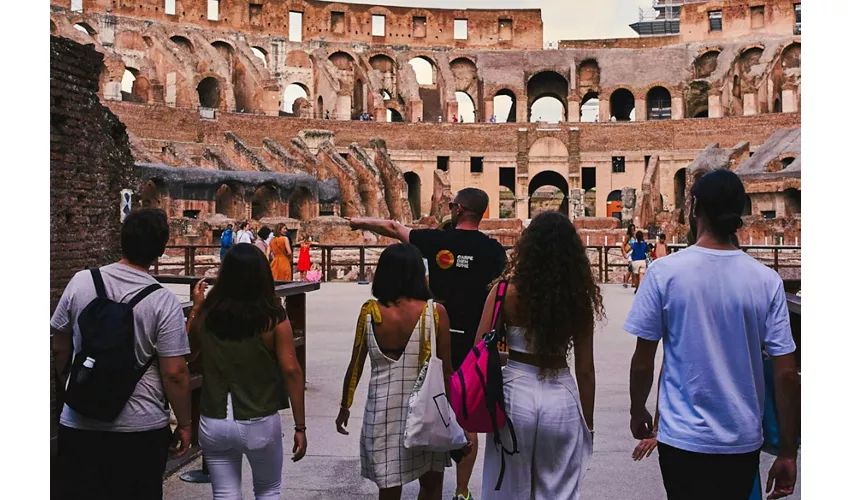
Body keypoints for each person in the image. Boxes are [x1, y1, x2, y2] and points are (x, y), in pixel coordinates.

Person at [625, 170, 800, 500]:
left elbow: (643, 362)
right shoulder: (766, 281)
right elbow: (787, 374)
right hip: (742, 439)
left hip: (681, 440)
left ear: (695, 209)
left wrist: (638, 410)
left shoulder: (664, 273)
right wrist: (788, 451)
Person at [350, 188, 508, 500]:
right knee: (466, 411)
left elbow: (394, 228)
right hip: (474, 339)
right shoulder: (493, 250)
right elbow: (500, 292)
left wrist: (360, 222)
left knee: (424, 397)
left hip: (433, 331)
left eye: (452, 206)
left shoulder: (438, 241)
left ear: (459, 210)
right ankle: (461, 491)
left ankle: (412, 467)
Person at [51, 208, 192, 499]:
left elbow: (59, 343)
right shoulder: (163, 301)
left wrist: (69, 385)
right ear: (160, 251)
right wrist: (185, 423)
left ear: (122, 241)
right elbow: (174, 373)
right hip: (140, 428)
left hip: (79, 421)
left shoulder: (81, 281)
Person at [474, 210, 601, 499]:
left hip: (515, 390)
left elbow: (481, 348)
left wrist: (511, 359)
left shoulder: (504, 291)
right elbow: (585, 368)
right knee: (558, 488)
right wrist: (588, 422)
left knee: (507, 486)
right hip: (561, 394)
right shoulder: (578, 298)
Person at [187, 243, 307, 499]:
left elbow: (188, 351)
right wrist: (300, 426)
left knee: (225, 493)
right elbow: (291, 371)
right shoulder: (273, 318)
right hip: (259, 417)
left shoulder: (208, 314)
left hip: (215, 418)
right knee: (268, 490)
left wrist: (196, 308)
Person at [335, 244, 452, 500]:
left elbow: (355, 364)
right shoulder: (435, 313)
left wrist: (345, 405)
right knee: (431, 484)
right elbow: (446, 372)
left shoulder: (370, 313)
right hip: (426, 413)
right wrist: (454, 418)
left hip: (382, 413)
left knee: (389, 487)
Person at [621, 224, 636, 288]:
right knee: (631, 268)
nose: (632, 230)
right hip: (629, 253)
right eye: (631, 229)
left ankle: (633, 282)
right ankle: (625, 281)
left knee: (633, 269)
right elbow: (623, 244)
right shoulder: (628, 236)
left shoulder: (634, 236)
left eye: (633, 228)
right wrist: (624, 252)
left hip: (634, 253)